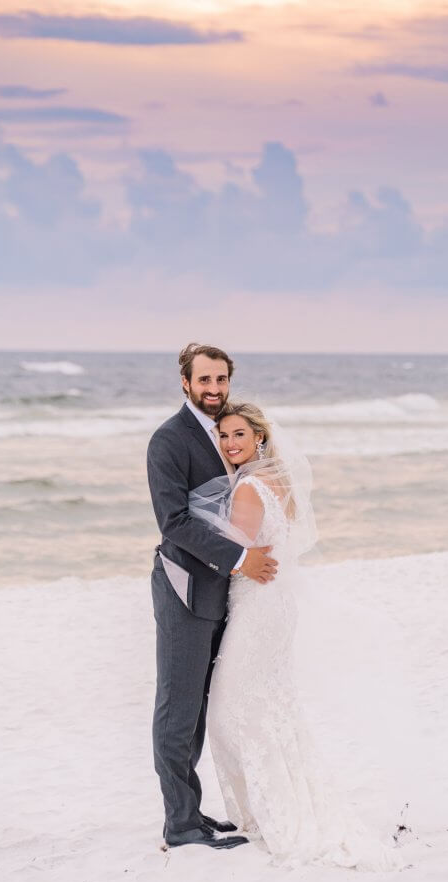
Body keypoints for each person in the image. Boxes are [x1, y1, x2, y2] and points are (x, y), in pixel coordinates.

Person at [188, 402, 402, 870]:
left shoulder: (247, 488)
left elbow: (233, 554)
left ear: (258, 437)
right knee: (268, 704)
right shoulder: (277, 481)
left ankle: (269, 813)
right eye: (224, 437)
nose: (230, 444)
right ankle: (277, 802)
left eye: (239, 434)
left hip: (257, 606)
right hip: (276, 605)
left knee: (230, 712)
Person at [146, 344, 277, 850]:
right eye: (204, 380)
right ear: (185, 382)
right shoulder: (169, 440)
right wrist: (244, 560)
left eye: (221, 380)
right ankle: (179, 825)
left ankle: (192, 813)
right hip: (185, 587)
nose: (214, 389)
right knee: (177, 708)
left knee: (199, 708)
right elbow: (173, 523)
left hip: (224, 591)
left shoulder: (226, 433)